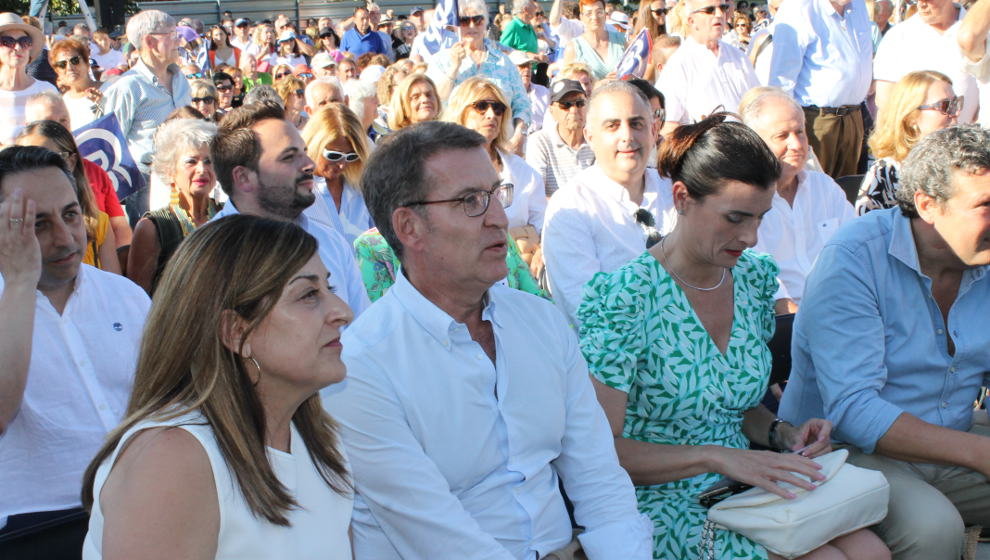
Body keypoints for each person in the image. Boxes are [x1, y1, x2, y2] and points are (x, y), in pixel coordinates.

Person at [324, 120, 653, 558]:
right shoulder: (361, 366)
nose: (499, 218)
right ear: (409, 227)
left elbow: (598, 477)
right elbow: (439, 539)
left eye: (497, 194)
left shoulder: (540, 322)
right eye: (471, 202)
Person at [577, 114, 891, 560]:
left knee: (869, 552)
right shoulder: (623, 299)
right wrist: (717, 457)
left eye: (761, 218)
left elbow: (733, 405)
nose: (750, 237)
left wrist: (784, 433)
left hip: (747, 479)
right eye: (735, 218)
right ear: (682, 198)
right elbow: (601, 452)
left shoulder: (752, 278)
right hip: (663, 499)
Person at [80, 214, 354, 560]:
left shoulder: (319, 438)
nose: (343, 312)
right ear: (236, 332)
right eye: (308, 295)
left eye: (329, 288)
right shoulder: (171, 460)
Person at [778, 124, 990, 560]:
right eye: (985, 205)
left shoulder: (980, 253)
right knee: (933, 530)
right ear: (928, 206)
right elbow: (855, 411)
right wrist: (981, 452)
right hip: (843, 450)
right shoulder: (855, 258)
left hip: (952, 434)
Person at [0, 146, 150, 557]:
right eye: (38, 224)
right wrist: (18, 284)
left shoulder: (126, 297)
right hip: (35, 528)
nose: (65, 238)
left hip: (142, 508)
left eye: (70, 214)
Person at [209, 102, 369, 316]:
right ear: (244, 177)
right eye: (289, 157)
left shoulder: (331, 243)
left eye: (304, 152)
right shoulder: (208, 256)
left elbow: (360, 331)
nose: (309, 164)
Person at [543, 81, 675, 324]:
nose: (627, 136)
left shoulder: (676, 192)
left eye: (636, 124)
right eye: (612, 126)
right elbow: (587, 311)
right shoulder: (570, 207)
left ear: (654, 131)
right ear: (590, 137)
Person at [740, 88, 854, 306]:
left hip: (840, 306)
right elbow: (758, 276)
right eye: (782, 136)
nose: (796, 145)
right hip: (780, 320)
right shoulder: (744, 200)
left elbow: (856, 250)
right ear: (754, 142)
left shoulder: (825, 188)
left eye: (800, 132)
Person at [442, 77, 547, 274]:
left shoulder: (523, 172)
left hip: (522, 272)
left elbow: (542, 225)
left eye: (498, 108)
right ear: (461, 112)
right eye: (481, 106)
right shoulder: (443, 169)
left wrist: (542, 250)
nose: (491, 115)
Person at [102, 10, 192, 224]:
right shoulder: (127, 86)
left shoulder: (181, 79)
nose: (179, 40)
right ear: (150, 41)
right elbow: (112, 142)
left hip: (183, 174)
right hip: (145, 183)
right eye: (172, 34)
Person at [766, 0, 873, 179]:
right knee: (813, 188)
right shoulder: (799, 7)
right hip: (816, 121)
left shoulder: (858, 6)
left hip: (853, 117)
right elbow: (781, 79)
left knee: (848, 192)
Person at [15, 121, 122, 274]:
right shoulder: (10, 226)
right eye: (26, 161)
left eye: (48, 160)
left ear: (71, 162)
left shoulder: (98, 224)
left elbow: (113, 289)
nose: (36, 170)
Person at [127, 118, 219, 294]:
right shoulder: (153, 228)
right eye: (191, 161)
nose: (202, 169)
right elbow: (138, 300)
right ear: (170, 170)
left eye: (208, 161)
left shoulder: (227, 215)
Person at [426, 0, 532, 152]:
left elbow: (522, 104)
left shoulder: (503, 61)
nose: (471, 26)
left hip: (500, 148)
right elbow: (435, 100)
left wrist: (519, 135)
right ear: (456, 24)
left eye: (477, 20)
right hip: (454, 148)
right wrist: (454, 67)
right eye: (464, 20)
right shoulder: (441, 60)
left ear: (485, 22)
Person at [856, 70, 959, 214]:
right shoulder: (887, 172)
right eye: (944, 106)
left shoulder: (965, 162)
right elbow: (867, 230)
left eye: (956, 103)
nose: (955, 113)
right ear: (911, 117)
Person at [654, 0, 758, 136]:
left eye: (723, 8)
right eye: (710, 10)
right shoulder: (679, 64)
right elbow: (667, 126)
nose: (720, 14)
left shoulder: (739, 57)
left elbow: (757, 104)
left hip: (746, 147)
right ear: (691, 21)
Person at [873, 0, 977, 124]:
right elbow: (885, 103)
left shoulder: (980, 33)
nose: (921, 4)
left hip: (971, 138)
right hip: (914, 141)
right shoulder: (898, 37)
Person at [301, 103, 373, 244]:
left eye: (351, 156)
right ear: (314, 144)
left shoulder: (361, 190)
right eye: (334, 155)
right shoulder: (294, 190)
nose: (342, 164)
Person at [526, 79, 596, 196]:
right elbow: (537, 196)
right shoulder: (539, 142)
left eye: (580, 103)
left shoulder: (597, 140)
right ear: (551, 110)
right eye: (565, 105)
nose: (574, 110)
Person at [0, 12, 59, 147]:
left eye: (24, 42)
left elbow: (62, 139)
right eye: (7, 42)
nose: (18, 47)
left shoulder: (47, 91)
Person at [561, 0, 626, 80]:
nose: (595, 17)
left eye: (599, 12)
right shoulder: (574, 47)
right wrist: (598, 84)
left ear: (605, 15)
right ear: (581, 17)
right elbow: (568, 84)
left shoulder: (622, 40)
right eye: (589, 13)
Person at [49, 38, 105, 130]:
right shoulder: (62, 103)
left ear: (86, 63)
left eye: (75, 60)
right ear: (57, 71)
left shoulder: (110, 89)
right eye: (62, 64)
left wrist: (101, 104)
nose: (70, 67)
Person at [510, 51, 549, 135]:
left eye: (529, 66)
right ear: (510, 69)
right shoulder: (505, 94)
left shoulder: (543, 92)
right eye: (522, 66)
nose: (527, 69)